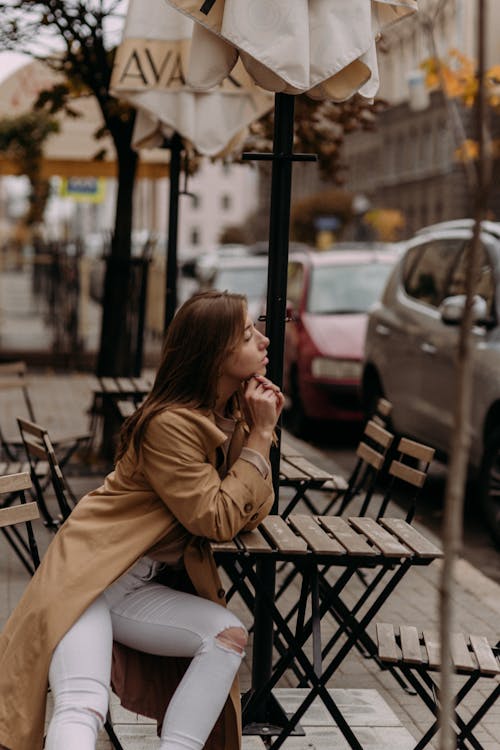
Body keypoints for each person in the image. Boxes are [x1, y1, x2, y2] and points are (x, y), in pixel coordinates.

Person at [0, 290, 284, 750]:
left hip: (136, 585)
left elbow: (251, 512)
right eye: (249, 333)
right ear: (215, 353)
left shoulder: (223, 416)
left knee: (226, 636)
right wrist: (262, 436)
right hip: (88, 577)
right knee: (82, 702)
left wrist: (254, 432)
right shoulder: (169, 425)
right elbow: (216, 518)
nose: (264, 340)